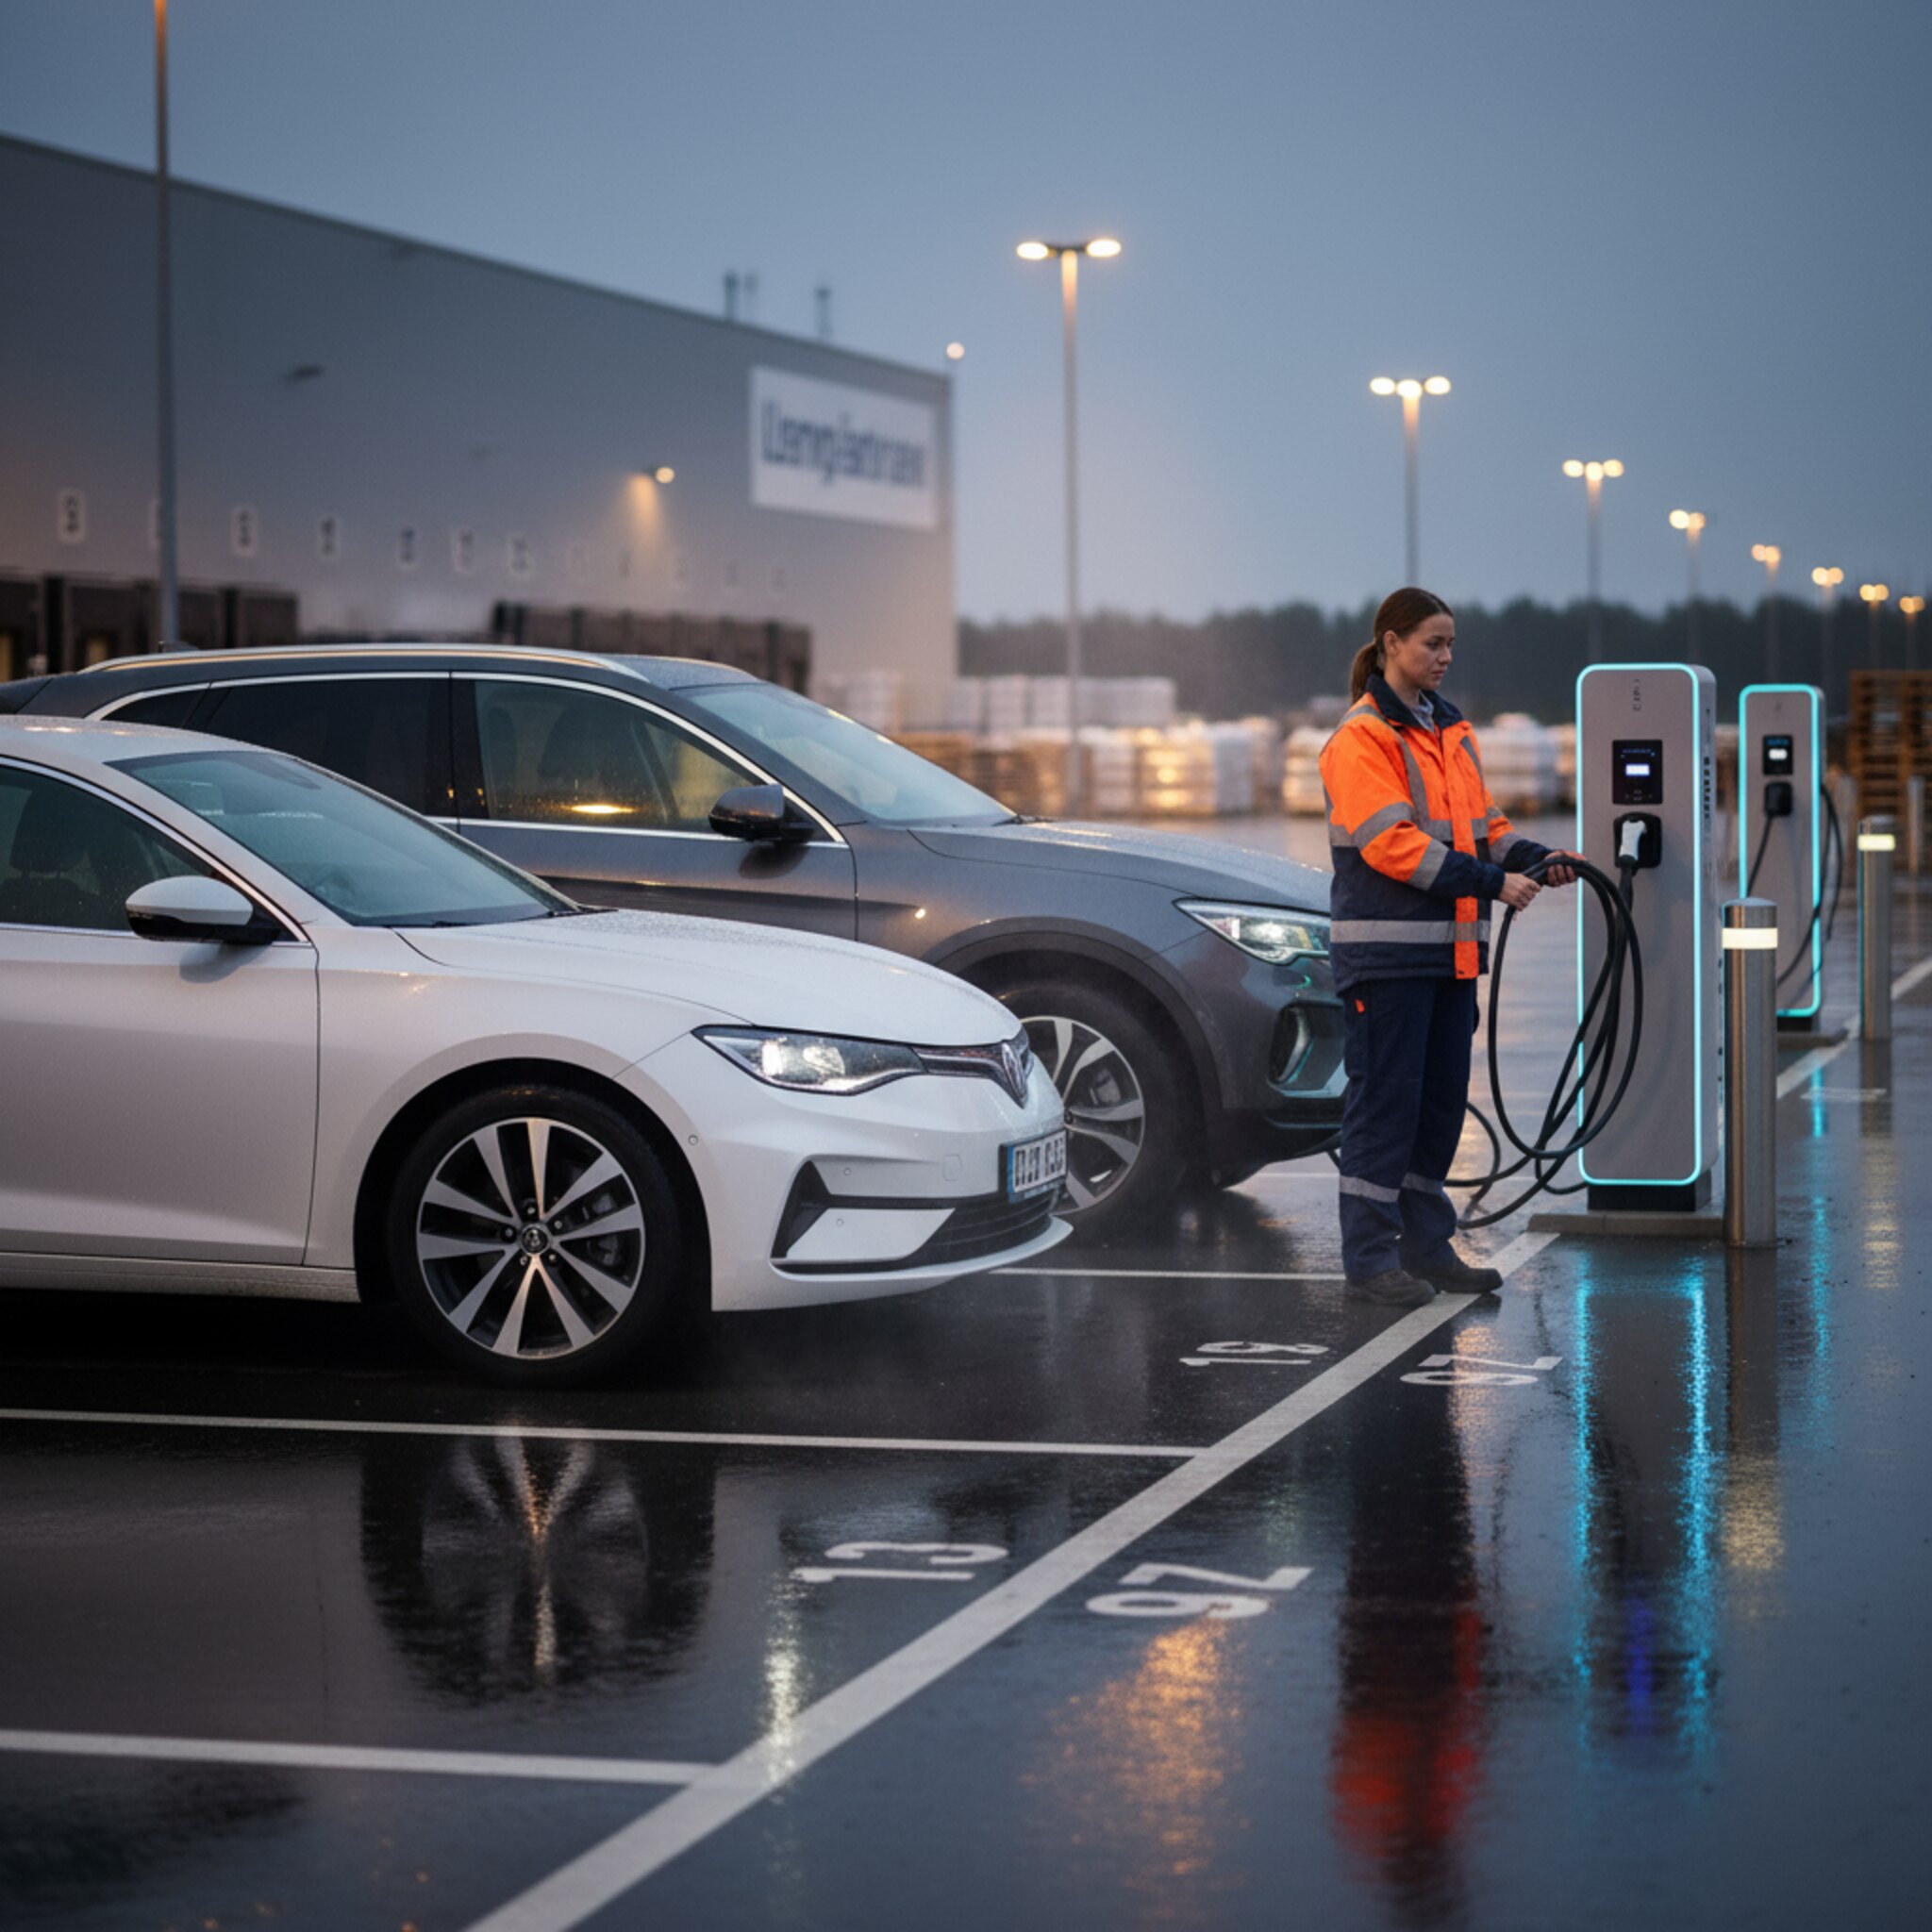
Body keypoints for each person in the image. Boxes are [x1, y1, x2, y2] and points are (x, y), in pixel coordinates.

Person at [1319, 588, 1577, 1306]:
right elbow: (1390, 844)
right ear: (1391, 642)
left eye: (1451, 644)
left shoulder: (1449, 732)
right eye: (1433, 642)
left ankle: (1426, 1248)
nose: (1445, 656)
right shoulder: (1363, 737)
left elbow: (1484, 827)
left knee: (1435, 1113)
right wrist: (1494, 884)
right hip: (1388, 960)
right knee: (1384, 1111)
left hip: (1449, 958)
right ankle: (1371, 1261)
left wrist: (1534, 857)